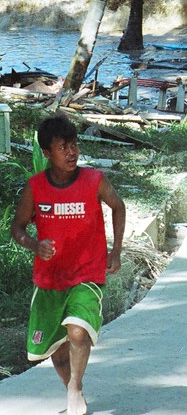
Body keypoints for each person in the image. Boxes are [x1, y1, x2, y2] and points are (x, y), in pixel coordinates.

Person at [11, 115, 126, 415]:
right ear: (47, 154)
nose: (72, 152)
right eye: (63, 147)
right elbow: (18, 229)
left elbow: (118, 205)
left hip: (87, 273)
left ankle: (75, 388)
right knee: (57, 351)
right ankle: (71, 386)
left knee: (77, 331)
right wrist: (35, 245)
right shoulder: (35, 187)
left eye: (74, 145)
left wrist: (116, 251)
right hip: (50, 279)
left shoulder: (95, 181)